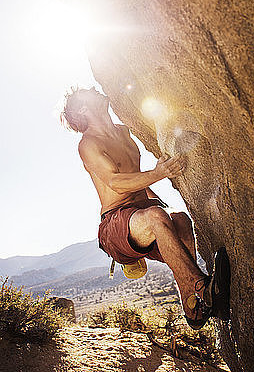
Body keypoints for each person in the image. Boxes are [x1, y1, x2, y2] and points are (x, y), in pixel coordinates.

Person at [60, 85, 230, 329]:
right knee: (155, 217)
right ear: (83, 108)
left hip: (141, 214)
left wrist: (158, 193)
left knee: (180, 219)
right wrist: (159, 173)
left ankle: (192, 305)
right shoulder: (88, 143)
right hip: (115, 225)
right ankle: (203, 290)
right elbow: (116, 183)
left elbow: (136, 177)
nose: (97, 90)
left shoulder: (124, 132)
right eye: (90, 92)